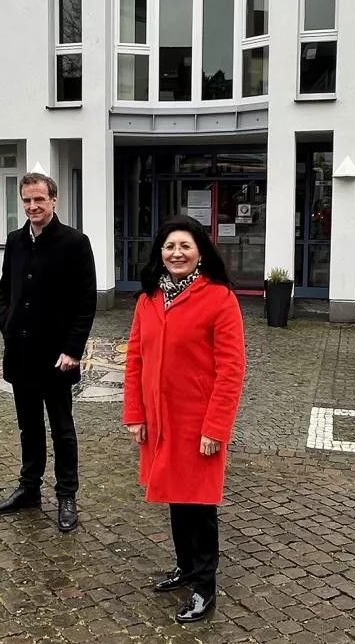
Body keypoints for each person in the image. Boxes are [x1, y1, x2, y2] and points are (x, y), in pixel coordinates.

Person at [122, 215, 246, 623]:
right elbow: (135, 359)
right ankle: (185, 567)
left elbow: (231, 369)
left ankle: (204, 586)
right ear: (160, 253)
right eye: (170, 246)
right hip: (160, 420)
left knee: (200, 503)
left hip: (198, 424)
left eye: (185, 247)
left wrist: (216, 427)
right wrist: (135, 413)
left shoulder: (219, 298)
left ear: (199, 253)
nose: (177, 253)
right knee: (176, 497)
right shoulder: (149, 299)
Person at [0, 171, 96, 532]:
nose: (33, 206)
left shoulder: (74, 242)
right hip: (20, 351)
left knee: (62, 429)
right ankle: (29, 488)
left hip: (57, 357)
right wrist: (5, 324)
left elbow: (86, 302)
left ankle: (66, 494)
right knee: (28, 427)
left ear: (54, 200)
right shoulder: (15, 240)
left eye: (39, 199)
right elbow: (5, 289)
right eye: (27, 200)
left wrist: (73, 349)